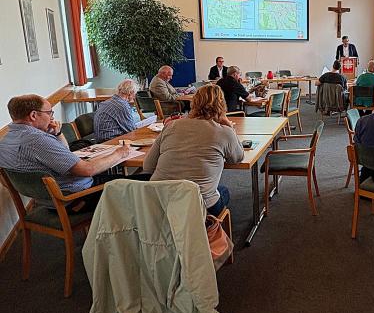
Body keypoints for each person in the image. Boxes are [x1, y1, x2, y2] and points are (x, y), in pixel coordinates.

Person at [0, 95, 131, 203]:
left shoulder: (6, 141)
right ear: (33, 115)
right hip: (74, 199)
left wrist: (57, 134)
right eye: (49, 113)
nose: (52, 117)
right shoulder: (37, 140)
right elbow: (87, 170)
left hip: (44, 201)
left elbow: (66, 154)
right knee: (137, 183)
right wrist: (120, 153)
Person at [143, 84, 244, 217]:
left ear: (194, 102)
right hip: (197, 205)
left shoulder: (171, 126)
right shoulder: (224, 132)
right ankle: (209, 226)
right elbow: (237, 158)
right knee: (223, 191)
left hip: (159, 201)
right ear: (222, 105)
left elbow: (148, 166)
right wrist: (229, 127)